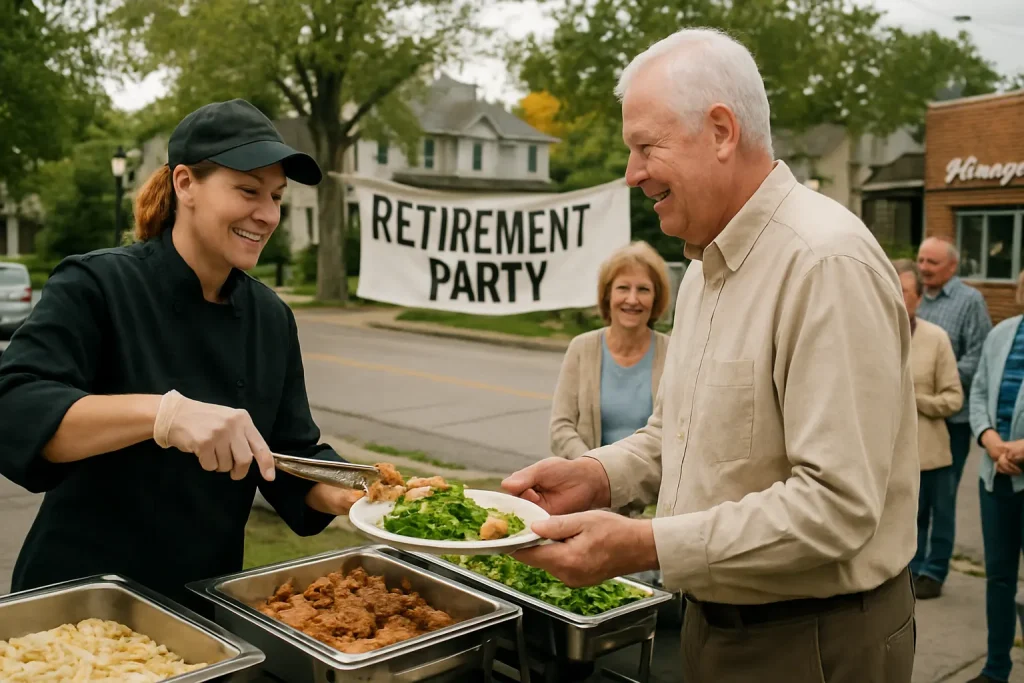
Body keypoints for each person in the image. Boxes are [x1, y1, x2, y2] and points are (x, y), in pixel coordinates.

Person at [502, 28, 919, 682]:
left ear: (721, 131)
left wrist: (643, 543)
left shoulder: (824, 262)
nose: (632, 173)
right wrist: (596, 475)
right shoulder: (702, 269)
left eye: (645, 147)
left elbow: (837, 507)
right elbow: (677, 436)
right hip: (710, 623)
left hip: (813, 639)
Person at [0, 99, 363, 616]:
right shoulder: (98, 284)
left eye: (277, 197)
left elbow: (287, 453)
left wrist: (358, 491)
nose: (267, 214)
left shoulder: (270, 318)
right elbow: (15, 407)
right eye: (248, 190)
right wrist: (164, 415)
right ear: (186, 184)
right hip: (79, 600)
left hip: (202, 605)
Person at [915, 236, 992, 599]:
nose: (924, 268)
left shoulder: (969, 301)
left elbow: (979, 354)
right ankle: (911, 565)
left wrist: (938, 377)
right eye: (921, 260)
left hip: (951, 418)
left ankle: (934, 570)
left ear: (952, 267)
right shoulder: (914, 299)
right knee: (912, 496)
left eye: (932, 262)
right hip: (914, 418)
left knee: (942, 500)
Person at [549, 240, 670, 463]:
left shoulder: (673, 352)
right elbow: (561, 428)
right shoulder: (581, 348)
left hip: (654, 489)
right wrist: (595, 469)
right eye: (623, 288)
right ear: (607, 295)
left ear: (656, 298)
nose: (632, 299)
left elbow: (678, 432)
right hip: (589, 487)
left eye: (643, 289)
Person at [967, 270, 1024, 683]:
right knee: (999, 579)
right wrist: (989, 440)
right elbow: (980, 393)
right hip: (996, 477)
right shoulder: (1002, 333)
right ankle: (996, 668)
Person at [892, 260, 963, 588]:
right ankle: (910, 569)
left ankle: (934, 572)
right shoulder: (878, 333)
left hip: (932, 451)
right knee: (908, 516)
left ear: (919, 298)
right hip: (893, 451)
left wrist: (915, 399)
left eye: (905, 291)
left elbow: (954, 399)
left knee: (940, 515)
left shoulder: (937, 339)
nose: (897, 295)